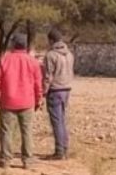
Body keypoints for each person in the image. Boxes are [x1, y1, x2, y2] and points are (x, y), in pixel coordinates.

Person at [0, 33, 43, 169]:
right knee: (27, 131)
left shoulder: (4, 60)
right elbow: (38, 84)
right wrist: (39, 99)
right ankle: (27, 161)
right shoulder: (33, 62)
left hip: (8, 102)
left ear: (13, 44)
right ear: (25, 45)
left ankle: (5, 160)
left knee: (6, 131)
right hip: (27, 102)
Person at [42, 28, 74, 160]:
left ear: (50, 40)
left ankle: (59, 151)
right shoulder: (69, 54)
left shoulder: (51, 55)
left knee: (56, 121)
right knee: (62, 119)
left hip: (55, 90)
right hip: (66, 89)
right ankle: (65, 148)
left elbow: (48, 76)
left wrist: (43, 91)